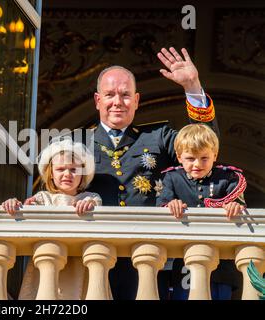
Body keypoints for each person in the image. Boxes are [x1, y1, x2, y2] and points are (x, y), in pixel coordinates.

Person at [86, 47, 219, 299]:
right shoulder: (75, 143)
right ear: (97, 100)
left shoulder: (157, 137)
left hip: (149, 257)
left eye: (125, 95)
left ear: (136, 100)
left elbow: (204, 144)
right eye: (110, 94)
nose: (117, 101)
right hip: (94, 257)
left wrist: (192, 86)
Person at [2, 137, 102, 299]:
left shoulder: (91, 198)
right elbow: (26, 213)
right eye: (61, 169)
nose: (67, 174)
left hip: (79, 265)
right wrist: (14, 204)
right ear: (51, 174)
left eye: (73, 169)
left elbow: (98, 213)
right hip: (46, 261)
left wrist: (89, 205)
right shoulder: (43, 198)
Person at [157, 123, 245, 300]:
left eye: (204, 158)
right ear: (179, 157)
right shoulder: (171, 178)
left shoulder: (228, 178)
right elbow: (161, 204)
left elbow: (238, 205)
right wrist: (170, 205)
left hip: (221, 266)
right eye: (190, 158)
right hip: (184, 262)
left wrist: (234, 206)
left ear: (215, 155)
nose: (197, 164)